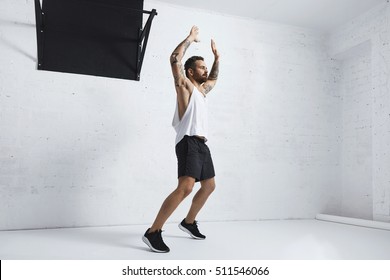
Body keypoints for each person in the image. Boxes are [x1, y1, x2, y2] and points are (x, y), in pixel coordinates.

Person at [142, 26, 220, 253]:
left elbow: (214, 79)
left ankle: (188, 222)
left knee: (209, 186)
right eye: (201, 67)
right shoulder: (184, 86)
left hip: (202, 144)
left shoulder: (202, 91)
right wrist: (190, 38)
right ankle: (153, 232)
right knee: (185, 187)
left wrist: (217, 58)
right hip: (188, 141)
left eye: (205, 67)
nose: (205, 71)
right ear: (190, 72)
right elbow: (174, 58)